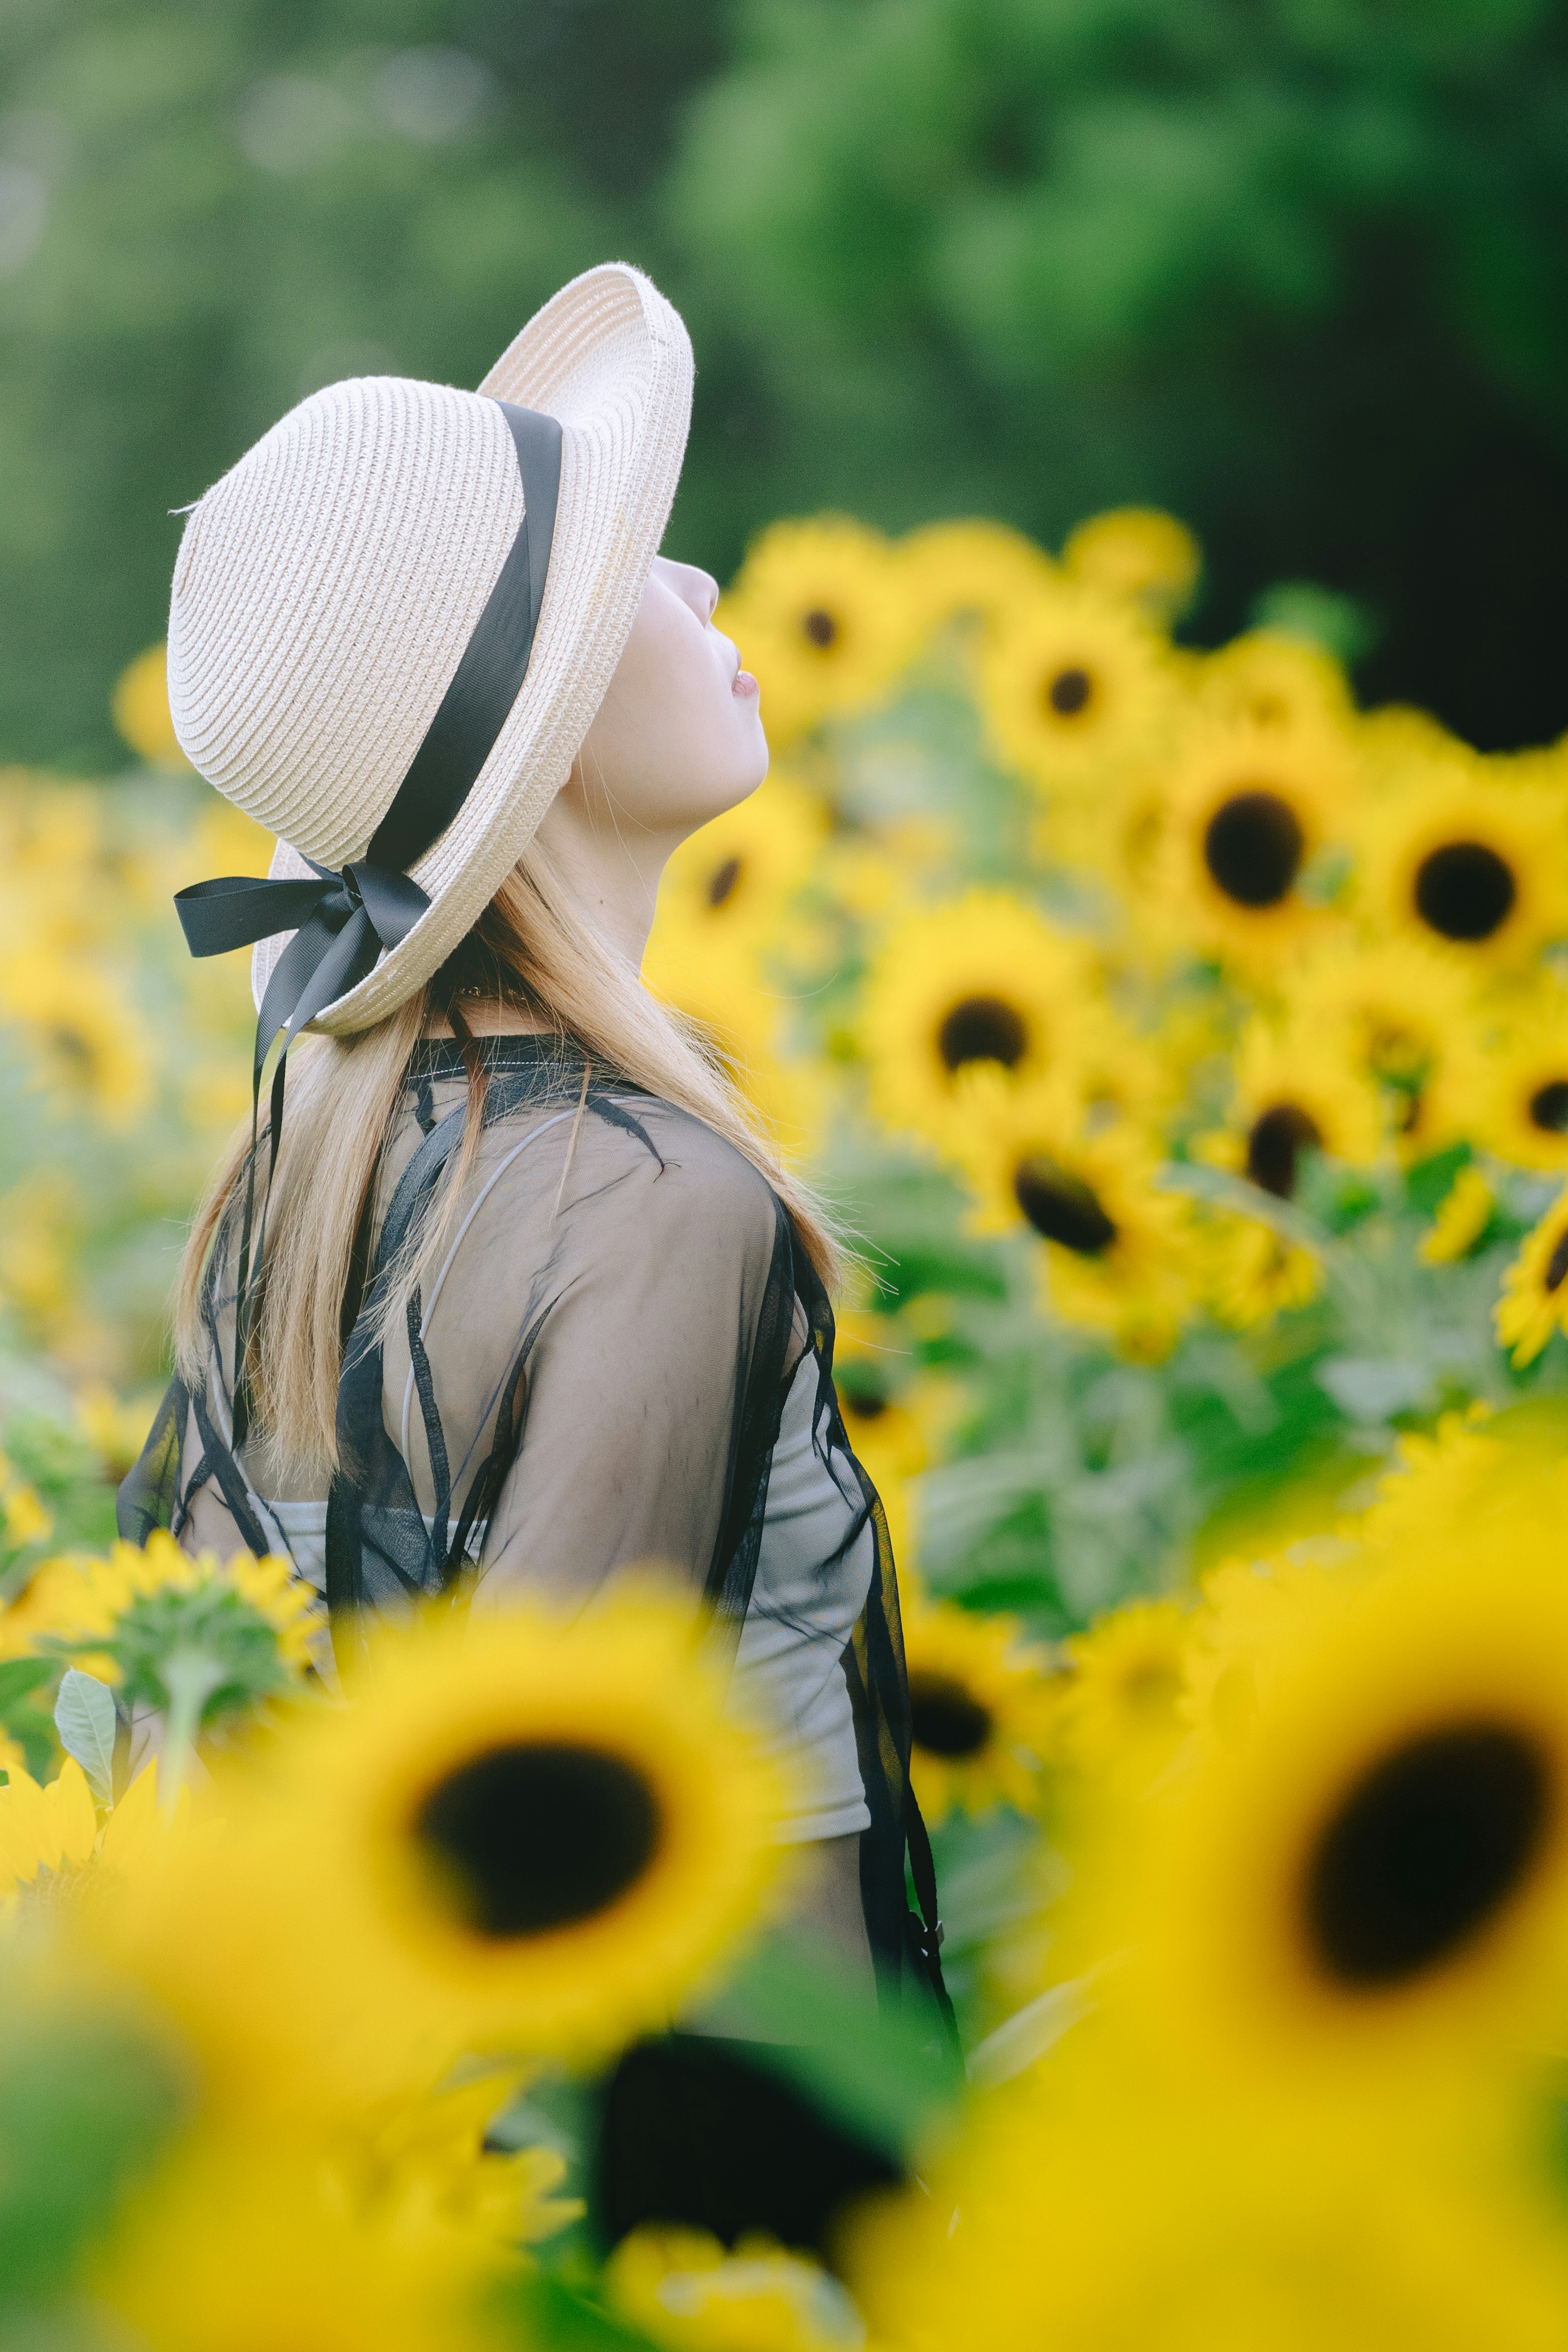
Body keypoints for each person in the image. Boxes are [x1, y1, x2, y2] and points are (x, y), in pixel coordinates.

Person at [118, 262, 950, 2247]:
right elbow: (537, 1836)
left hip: (414, 2193)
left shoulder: (297, 1180)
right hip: (709, 2200)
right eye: (647, 569)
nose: (712, 596)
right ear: (552, 727)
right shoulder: (661, 1205)